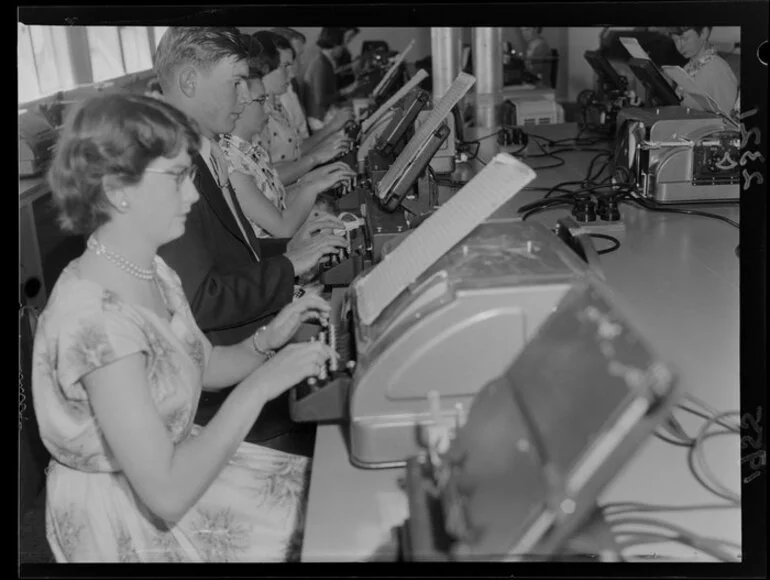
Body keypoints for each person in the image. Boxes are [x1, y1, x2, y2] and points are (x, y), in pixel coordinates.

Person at [33, 92, 338, 561]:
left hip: (178, 467)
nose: (194, 196)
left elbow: (202, 362)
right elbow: (167, 494)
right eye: (178, 178)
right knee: (328, 536)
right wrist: (260, 387)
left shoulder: (150, 269)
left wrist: (267, 340)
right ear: (118, 189)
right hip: (133, 515)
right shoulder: (95, 324)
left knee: (328, 505)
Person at [152, 27, 348, 453]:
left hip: (249, 345)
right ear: (189, 82)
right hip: (220, 385)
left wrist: (294, 252)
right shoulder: (169, 167)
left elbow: (235, 251)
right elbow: (200, 301)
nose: (246, 98)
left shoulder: (206, 149)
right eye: (236, 83)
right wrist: (290, 267)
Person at [219, 37, 356, 240]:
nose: (267, 108)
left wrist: (315, 178)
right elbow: (282, 227)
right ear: (240, 103)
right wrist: (312, 185)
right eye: (261, 101)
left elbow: (276, 193)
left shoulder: (251, 149)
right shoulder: (232, 163)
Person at [250, 30, 354, 186]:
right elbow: (267, 178)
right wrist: (315, 159)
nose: (292, 73)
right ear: (264, 67)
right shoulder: (257, 114)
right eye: (285, 66)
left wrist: (319, 172)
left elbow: (295, 151)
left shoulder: (277, 105)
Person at [668, 26, 738, 114]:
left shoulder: (718, 70)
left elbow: (727, 120)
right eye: (675, 40)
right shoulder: (688, 67)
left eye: (684, 39)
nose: (679, 46)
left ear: (704, 33)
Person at [303, 27, 360, 131]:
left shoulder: (326, 61)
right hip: (319, 119)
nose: (343, 48)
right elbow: (321, 100)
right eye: (341, 45)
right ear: (334, 45)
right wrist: (345, 91)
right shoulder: (321, 64)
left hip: (325, 113)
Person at [335, 27, 360, 91]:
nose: (351, 39)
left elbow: (345, 69)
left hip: (348, 86)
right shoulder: (336, 49)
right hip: (340, 88)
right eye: (350, 35)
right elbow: (333, 71)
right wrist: (351, 65)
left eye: (353, 36)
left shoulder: (344, 48)